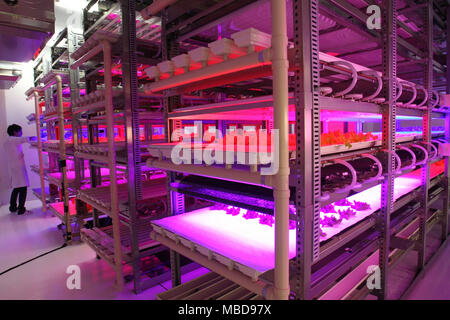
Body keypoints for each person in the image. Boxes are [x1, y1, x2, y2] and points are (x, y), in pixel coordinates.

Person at [4, 124, 33, 215]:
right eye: (20, 131)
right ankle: (21, 209)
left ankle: (12, 207)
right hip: (18, 167)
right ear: (15, 132)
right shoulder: (13, 139)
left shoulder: (7, 141)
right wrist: (40, 137)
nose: (21, 133)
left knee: (16, 188)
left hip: (13, 167)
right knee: (22, 188)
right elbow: (27, 138)